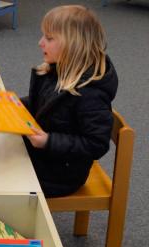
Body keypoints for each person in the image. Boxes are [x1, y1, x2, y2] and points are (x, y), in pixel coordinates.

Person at [21, 5, 118, 197]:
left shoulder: (90, 94)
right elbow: (43, 105)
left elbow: (96, 144)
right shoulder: (56, 70)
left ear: (73, 45)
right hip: (46, 156)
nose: (40, 43)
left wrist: (49, 141)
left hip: (60, 174)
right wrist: (14, 105)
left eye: (49, 38)